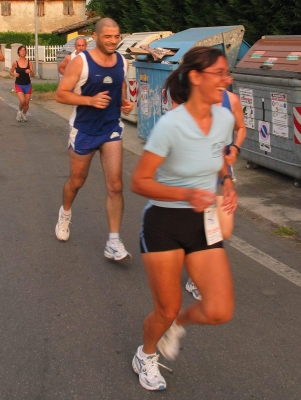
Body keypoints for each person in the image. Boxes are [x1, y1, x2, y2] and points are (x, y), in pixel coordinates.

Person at [130, 46, 237, 391]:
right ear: (195, 76)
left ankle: (177, 325)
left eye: (226, 72)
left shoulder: (224, 118)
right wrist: (186, 193)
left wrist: (228, 180)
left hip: (202, 222)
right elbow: (139, 182)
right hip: (163, 224)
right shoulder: (170, 126)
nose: (226, 79)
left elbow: (219, 154)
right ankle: (145, 354)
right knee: (165, 308)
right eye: (219, 73)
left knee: (219, 310)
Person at [54, 17, 133, 261]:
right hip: (85, 129)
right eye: (107, 36)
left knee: (116, 185)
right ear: (96, 37)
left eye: (116, 36)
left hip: (111, 128)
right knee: (77, 182)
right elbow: (60, 95)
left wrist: (124, 103)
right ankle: (65, 213)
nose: (113, 40)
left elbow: (118, 88)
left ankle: (113, 242)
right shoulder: (81, 62)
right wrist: (89, 101)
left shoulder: (122, 62)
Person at [185, 76, 246, 301]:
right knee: (201, 223)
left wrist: (235, 149)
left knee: (224, 228)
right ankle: (197, 277)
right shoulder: (193, 101)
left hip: (223, 171)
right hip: (196, 172)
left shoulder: (232, 100)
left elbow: (240, 127)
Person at [10, 45, 34, 122]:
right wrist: (14, 74)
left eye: (24, 50)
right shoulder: (15, 63)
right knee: (22, 101)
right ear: (18, 52)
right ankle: (19, 112)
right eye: (21, 50)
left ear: (26, 52)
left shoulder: (29, 62)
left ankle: (24, 114)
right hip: (19, 84)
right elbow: (11, 72)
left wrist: (30, 71)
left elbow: (33, 75)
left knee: (26, 103)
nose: (23, 52)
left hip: (27, 84)